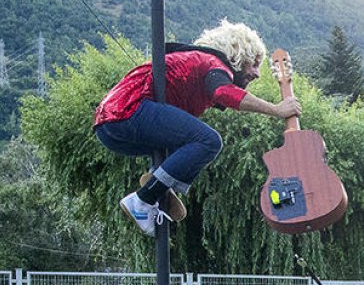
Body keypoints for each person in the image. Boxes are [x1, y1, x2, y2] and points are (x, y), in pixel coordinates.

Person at [96, 20, 300, 233]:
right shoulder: (214, 63)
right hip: (128, 112)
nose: (257, 74)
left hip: (109, 128)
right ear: (239, 55)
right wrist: (277, 110)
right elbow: (224, 93)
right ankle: (143, 199)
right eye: (255, 64)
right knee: (208, 141)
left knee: (185, 142)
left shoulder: (193, 64)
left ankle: (157, 181)